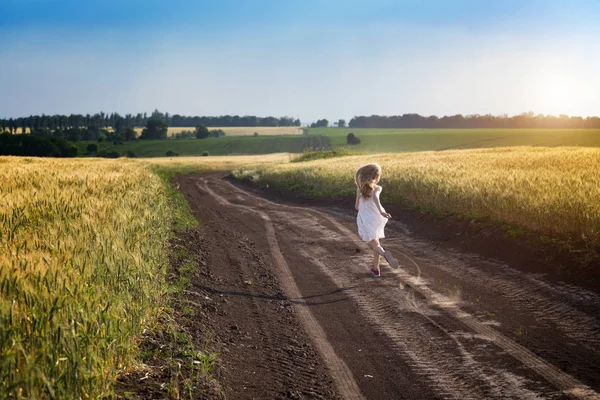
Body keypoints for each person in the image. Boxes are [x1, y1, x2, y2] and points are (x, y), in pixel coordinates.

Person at [355, 163, 399, 276]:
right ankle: (376, 269)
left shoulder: (360, 190)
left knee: (374, 243)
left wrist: (363, 206)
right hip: (377, 216)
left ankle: (385, 254)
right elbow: (375, 198)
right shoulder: (378, 188)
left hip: (366, 217)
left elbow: (356, 207)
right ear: (375, 177)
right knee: (376, 241)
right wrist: (382, 212)